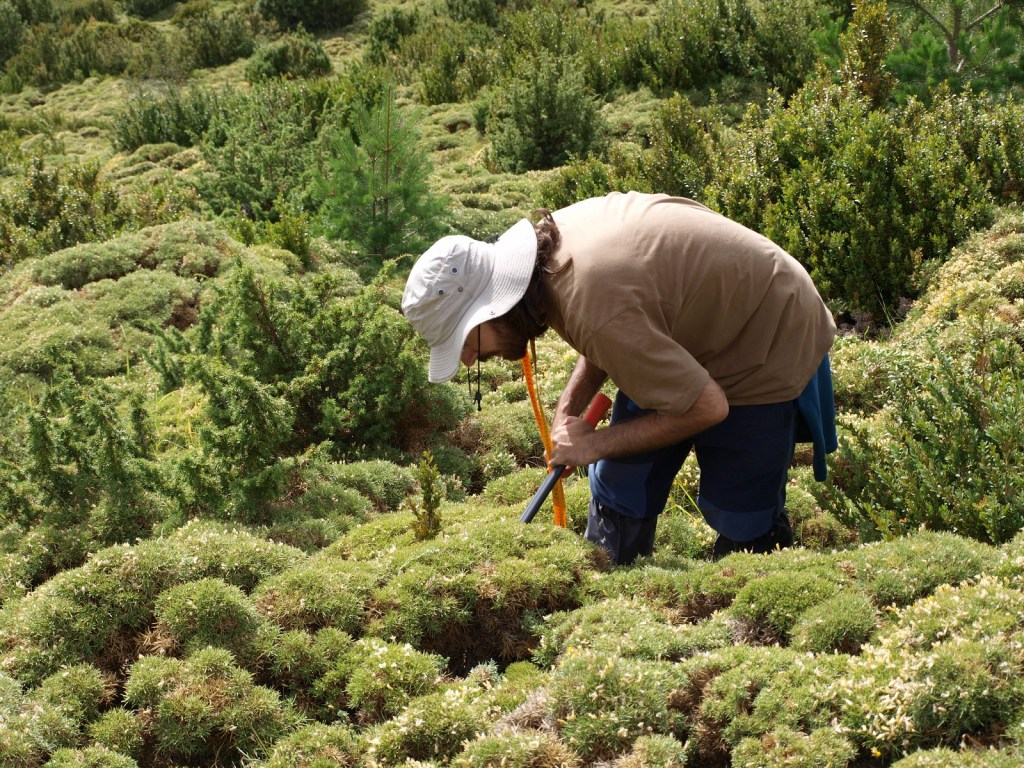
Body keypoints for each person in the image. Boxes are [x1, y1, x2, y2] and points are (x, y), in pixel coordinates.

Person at [402, 192, 837, 565]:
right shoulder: (551, 257)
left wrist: (591, 445)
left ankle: (753, 594)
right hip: (686, 331)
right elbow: (616, 331)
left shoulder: (592, 300)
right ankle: (612, 578)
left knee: (742, 514)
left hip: (768, 334)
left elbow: (707, 405)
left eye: (468, 340)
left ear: (493, 305)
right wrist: (567, 412)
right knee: (621, 485)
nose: (474, 357)